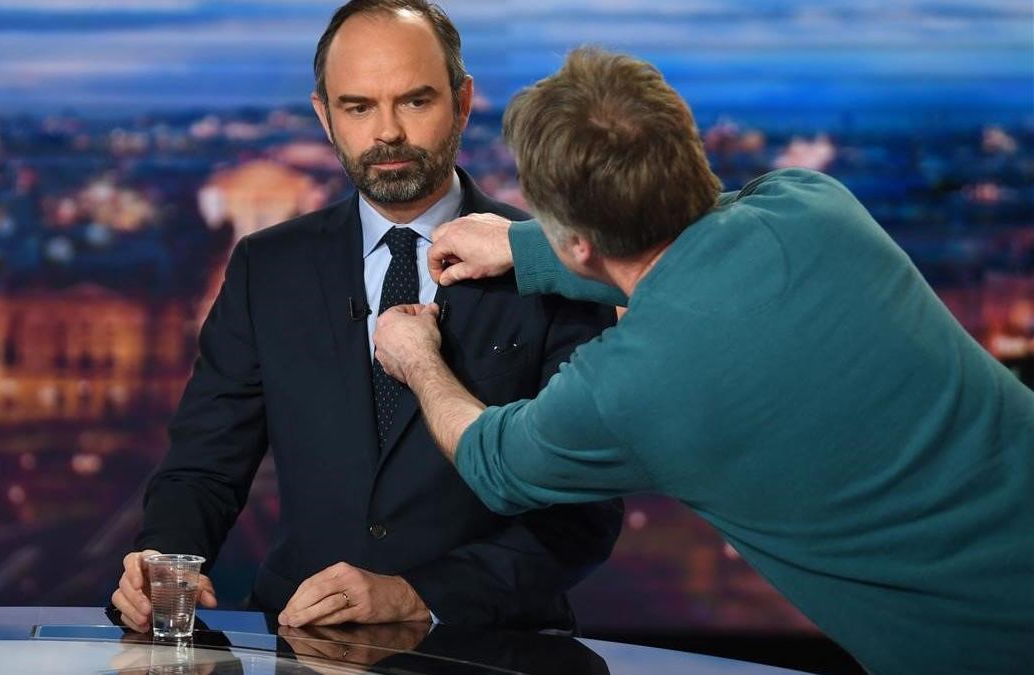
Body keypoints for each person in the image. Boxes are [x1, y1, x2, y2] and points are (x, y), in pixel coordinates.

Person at [373, 47, 1034, 675]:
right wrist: (532, 246)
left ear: (577, 242)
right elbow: (700, 236)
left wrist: (419, 359)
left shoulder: (630, 387)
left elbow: (492, 460)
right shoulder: (815, 206)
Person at [109, 1, 622, 634]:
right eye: (358, 107)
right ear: (324, 115)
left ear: (462, 103)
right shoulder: (267, 267)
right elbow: (205, 464)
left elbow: (582, 509)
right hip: (300, 638)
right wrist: (162, 558)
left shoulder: (553, 264)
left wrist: (416, 595)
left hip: (494, 644)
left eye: (415, 101)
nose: (387, 133)